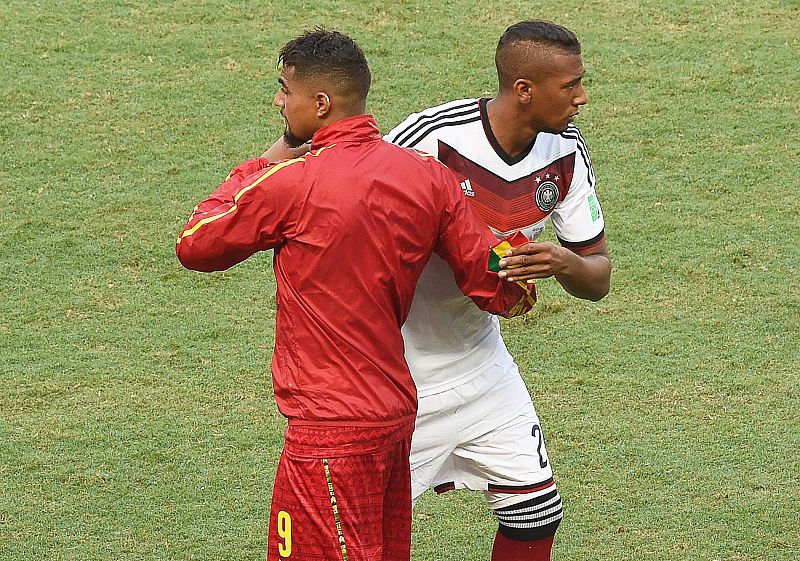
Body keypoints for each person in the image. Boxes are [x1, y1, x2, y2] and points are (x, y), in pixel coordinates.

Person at [175, 29, 535, 561]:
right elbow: (498, 288)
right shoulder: (428, 177)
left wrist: (265, 163)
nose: (278, 101)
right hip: (395, 415)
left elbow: (196, 244)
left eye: (284, 89)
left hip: (329, 427)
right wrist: (535, 266)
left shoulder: (292, 182)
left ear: (321, 103)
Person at [383, 20, 612, 561]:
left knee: (536, 514)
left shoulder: (565, 151)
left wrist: (561, 262)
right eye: (570, 84)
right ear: (525, 88)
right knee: (373, 527)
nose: (582, 97)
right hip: (399, 374)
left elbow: (598, 275)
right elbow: (357, 218)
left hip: (482, 367)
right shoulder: (431, 138)